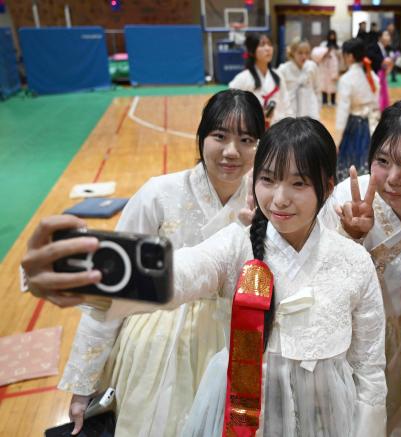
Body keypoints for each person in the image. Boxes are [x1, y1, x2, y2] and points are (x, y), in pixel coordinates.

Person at [21, 117, 387, 437]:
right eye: (268, 179)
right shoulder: (236, 245)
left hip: (328, 410)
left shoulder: (353, 261)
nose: (279, 199)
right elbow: (177, 274)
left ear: (326, 186)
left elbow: (370, 370)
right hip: (244, 414)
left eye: (298, 184)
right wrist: (79, 271)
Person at [56, 89, 265, 436]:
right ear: (201, 138)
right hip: (160, 343)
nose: (232, 151)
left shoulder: (265, 196)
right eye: (220, 136)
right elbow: (111, 289)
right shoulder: (158, 193)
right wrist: (83, 383)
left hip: (236, 339)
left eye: (246, 139)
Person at [327, 98, 401, 437]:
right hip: (356, 346)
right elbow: (321, 279)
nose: (393, 178)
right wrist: (351, 237)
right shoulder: (349, 195)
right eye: (382, 161)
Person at [336, 38, 380, 181]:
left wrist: (337, 139)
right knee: (367, 163)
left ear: (349, 56)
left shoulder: (347, 79)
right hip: (372, 124)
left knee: (351, 164)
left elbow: (343, 111)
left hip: (354, 125)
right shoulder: (371, 76)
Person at [229, 33, 292, 126]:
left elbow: (286, 106)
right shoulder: (242, 79)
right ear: (251, 51)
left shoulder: (278, 76)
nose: (268, 48)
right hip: (252, 130)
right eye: (262, 45)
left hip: (277, 131)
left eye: (270, 44)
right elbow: (231, 108)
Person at [276, 38, 320, 119]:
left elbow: (317, 89)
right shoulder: (283, 69)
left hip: (310, 110)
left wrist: (317, 108)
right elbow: (279, 94)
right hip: (290, 112)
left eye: (307, 53)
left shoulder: (312, 66)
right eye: (300, 53)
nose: (304, 56)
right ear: (293, 52)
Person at [367, 30, 393, 111]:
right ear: (380, 38)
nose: (388, 37)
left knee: (382, 95)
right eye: (386, 35)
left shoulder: (385, 49)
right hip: (375, 76)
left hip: (382, 76)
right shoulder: (373, 46)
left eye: (389, 35)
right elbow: (370, 58)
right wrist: (383, 62)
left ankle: (382, 110)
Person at [314, 30, 341, 107]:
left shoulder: (337, 45)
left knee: (333, 85)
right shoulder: (324, 44)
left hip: (334, 67)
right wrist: (327, 52)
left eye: (333, 35)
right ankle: (324, 101)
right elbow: (319, 55)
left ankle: (333, 101)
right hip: (324, 67)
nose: (332, 37)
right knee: (324, 84)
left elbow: (340, 56)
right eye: (331, 35)